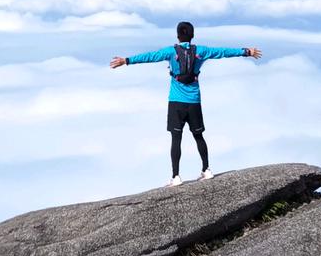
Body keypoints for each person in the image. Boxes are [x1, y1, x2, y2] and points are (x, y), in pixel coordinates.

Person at [110, 21, 263, 185]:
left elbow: (150, 56)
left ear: (177, 36)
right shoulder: (202, 51)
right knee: (198, 136)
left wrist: (126, 60)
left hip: (176, 102)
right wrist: (246, 52)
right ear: (192, 35)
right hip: (194, 101)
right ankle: (206, 170)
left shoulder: (170, 51)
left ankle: (176, 176)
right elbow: (223, 52)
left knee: (176, 139)